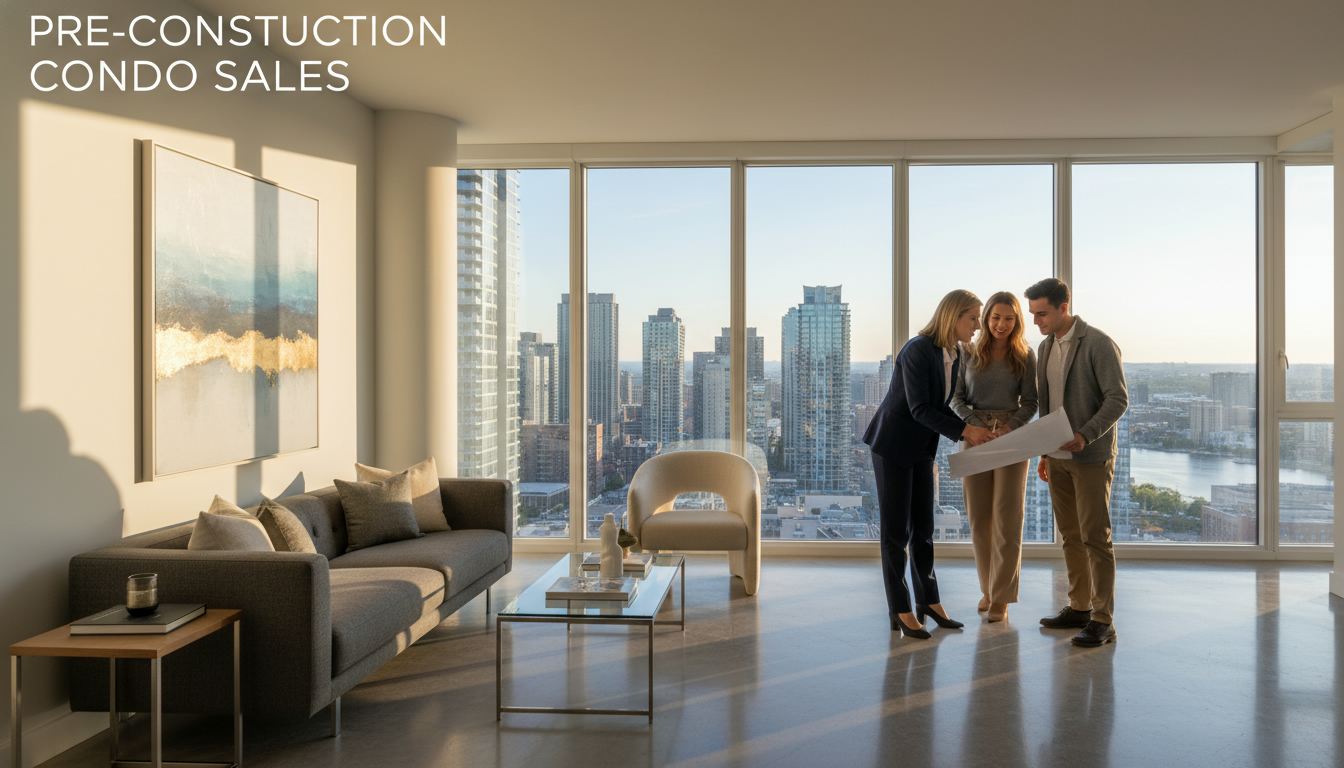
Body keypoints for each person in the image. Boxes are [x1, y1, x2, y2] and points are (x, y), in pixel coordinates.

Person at [863, 289, 996, 639]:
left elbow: (946, 404)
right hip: (893, 447)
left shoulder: (956, 353)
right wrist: (966, 430)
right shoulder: (917, 349)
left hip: (922, 447)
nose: (978, 326)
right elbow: (919, 408)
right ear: (953, 316)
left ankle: (930, 602)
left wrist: (977, 426)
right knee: (896, 534)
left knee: (923, 529)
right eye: (973, 318)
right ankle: (901, 608)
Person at [1025, 278, 1128, 648]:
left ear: (1063, 307)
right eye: (1033, 315)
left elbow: (1118, 399)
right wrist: (1043, 452)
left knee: (1095, 538)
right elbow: (1048, 406)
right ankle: (1079, 607)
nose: (1036, 321)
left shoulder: (1098, 344)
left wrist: (1085, 434)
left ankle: (1104, 620)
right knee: (1069, 536)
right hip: (1056, 458)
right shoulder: (1044, 346)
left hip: (1089, 456)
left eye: (1042, 314)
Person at [950, 292, 1038, 624]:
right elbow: (956, 399)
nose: (1001, 324)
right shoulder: (967, 351)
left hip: (1013, 440)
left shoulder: (1025, 355)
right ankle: (987, 589)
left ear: (1017, 321)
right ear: (986, 318)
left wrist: (1011, 427)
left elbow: (1031, 401)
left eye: (1009, 318)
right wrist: (973, 426)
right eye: (995, 317)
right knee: (979, 519)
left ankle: (1002, 596)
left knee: (1007, 519)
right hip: (974, 438)